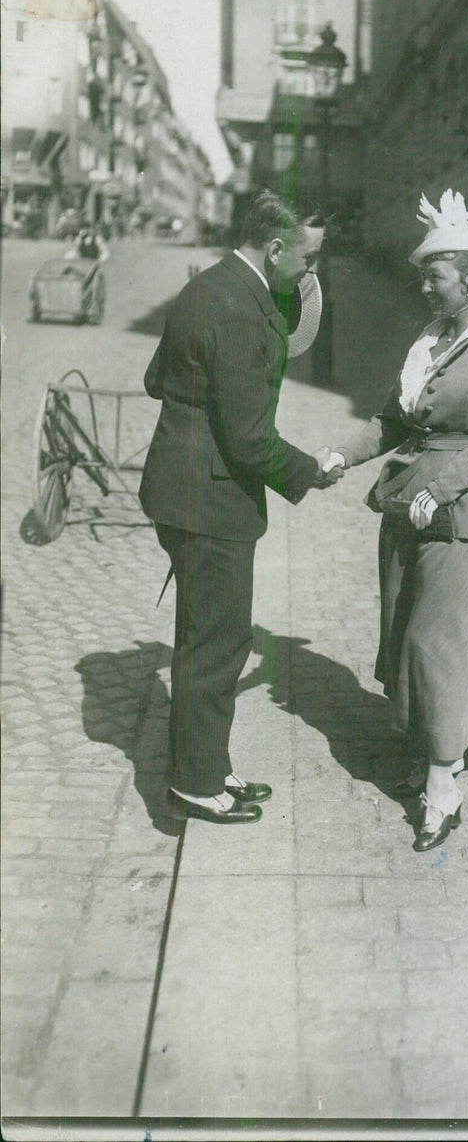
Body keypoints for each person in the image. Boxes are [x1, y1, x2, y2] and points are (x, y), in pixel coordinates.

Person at [321, 189, 468, 852]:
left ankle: (441, 789)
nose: (424, 285)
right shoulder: (431, 341)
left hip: (467, 515)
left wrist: (444, 489)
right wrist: (340, 455)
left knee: (439, 644)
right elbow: (395, 421)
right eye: (424, 275)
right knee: (405, 634)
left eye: (434, 275)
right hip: (407, 504)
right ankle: (435, 753)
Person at [139, 190, 339, 825]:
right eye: (308, 260)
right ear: (275, 248)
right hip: (212, 498)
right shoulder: (243, 307)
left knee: (206, 635)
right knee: (216, 645)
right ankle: (195, 785)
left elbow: (154, 379)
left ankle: (210, 767)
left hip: (181, 487)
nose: (311, 274)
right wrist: (313, 471)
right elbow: (251, 440)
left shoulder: (206, 286)